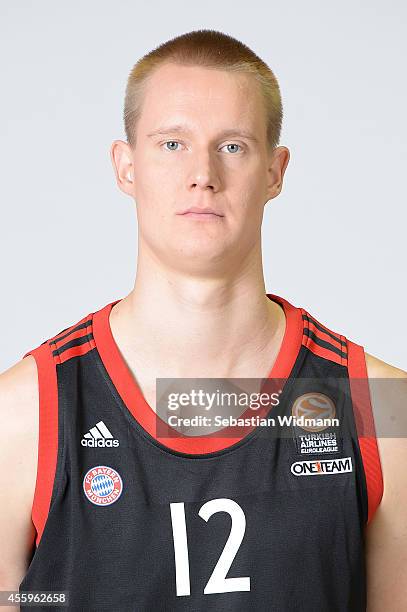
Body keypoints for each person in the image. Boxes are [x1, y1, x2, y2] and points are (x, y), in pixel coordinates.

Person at [1, 28, 406, 612]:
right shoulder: (23, 418)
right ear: (125, 166)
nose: (203, 173)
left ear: (275, 170)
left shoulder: (381, 410)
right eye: (172, 144)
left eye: (234, 146)